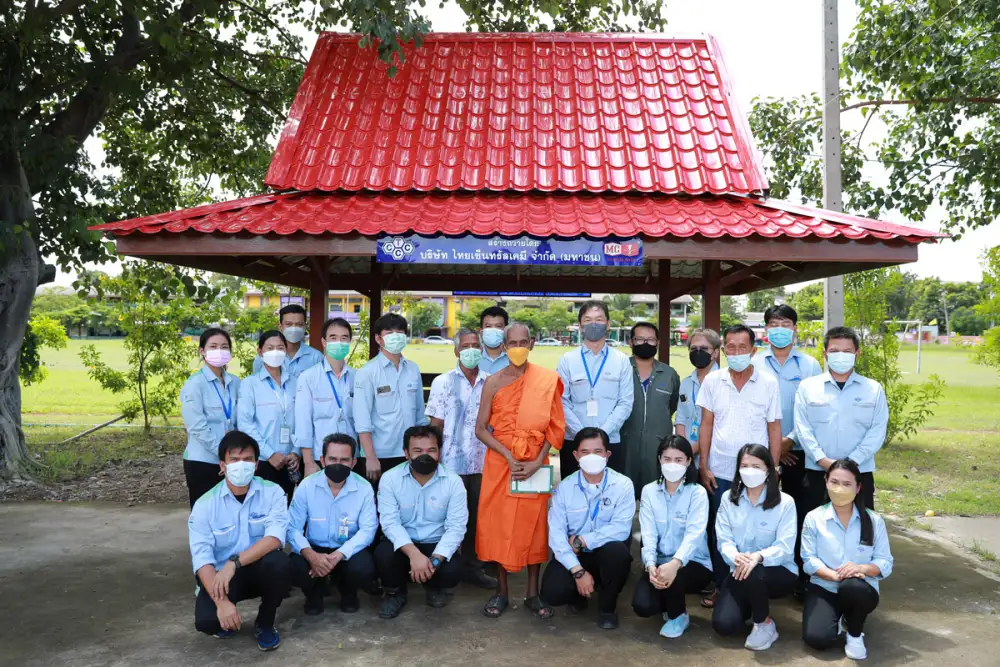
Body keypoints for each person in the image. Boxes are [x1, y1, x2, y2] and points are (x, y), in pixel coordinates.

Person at [475, 322, 566, 619]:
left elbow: (555, 427)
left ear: (532, 343)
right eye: (511, 343)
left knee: (534, 526)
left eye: (522, 342)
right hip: (501, 463)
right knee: (499, 526)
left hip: (534, 461)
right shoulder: (493, 382)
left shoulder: (546, 380)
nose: (517, 348)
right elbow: (480, 428)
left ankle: (532, 593)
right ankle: (501, 592)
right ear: (503, 346)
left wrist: (538, 460)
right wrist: (506, 455)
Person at [697, 324, 782, 604]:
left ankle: (750, 584)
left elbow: (774, 428)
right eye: (730, 347)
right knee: (721, 531)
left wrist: (774, 469)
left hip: (757, 474)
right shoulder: (713, 381)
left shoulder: (768, 383)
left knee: (754, 529)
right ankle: (723, 585)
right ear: (723, 350)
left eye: (742, 347)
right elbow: (706, 425)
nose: (736, 352)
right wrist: (704, 465)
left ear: (753, 350)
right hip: (720, 471)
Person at [188, 431, 290, 651]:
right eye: (234, 460)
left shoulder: (273, 493)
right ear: (222, 465)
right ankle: (227, 613)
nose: (241, 465)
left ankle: (265, 622)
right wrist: (221, 602)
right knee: (206, 621)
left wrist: (234, 564)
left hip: (258, 569)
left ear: (256, 464)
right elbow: (202, 557)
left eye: (247, 459)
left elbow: (275, 538)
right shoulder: (205, 505)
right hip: (222, 578)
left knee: (280, 563)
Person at [752, 305, 822, 586]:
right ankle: (759, 571)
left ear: (795, 328)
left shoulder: (810, 365)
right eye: (773, 323)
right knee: (760, 512)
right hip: (761, 453)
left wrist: (788, 441)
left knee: (802, 513)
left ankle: (802, 577)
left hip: (798, 451)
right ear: (766, 328)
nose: (779, 328)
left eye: (785, 323)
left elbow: (815, 410)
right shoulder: (754, 363)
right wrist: (772, 449)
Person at [540, 428, 635, 629]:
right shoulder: (564, 488)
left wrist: (582, 540)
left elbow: (621, 529)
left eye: (598, 451)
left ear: (608, 454)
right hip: (576, 555)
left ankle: (607, 608)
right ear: (575, 456)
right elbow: (557, 535)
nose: (592, 457)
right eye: (585, 452)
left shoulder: (623, 485)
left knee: (617, 554)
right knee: (552, 592)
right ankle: (578, 595)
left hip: (604, 552)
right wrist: (578, 572)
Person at [425, 328, 498, 589]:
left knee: (478, 518)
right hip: (451, 463)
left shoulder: (492, 382)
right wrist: (432, 459)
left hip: (483, 462)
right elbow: (436, 424)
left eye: (475, 345)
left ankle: (473, 567)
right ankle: (443, 568)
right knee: (449, 517)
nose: (471, 350)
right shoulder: (443, 382)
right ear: (456, 350)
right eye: (465, 346)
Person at [801, 459, 893, 661]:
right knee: (817, 638)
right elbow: (809, 560)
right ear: (826, 482)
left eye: (847, 484)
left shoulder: (874, 521)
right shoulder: (814, 518)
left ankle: (854, 632)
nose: (839, 489)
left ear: (858, 488)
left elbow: (885, 562)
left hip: (860, 588)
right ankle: (838, 615)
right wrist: (835, 576)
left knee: (851, 586)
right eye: (834, 482)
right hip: (824, 585)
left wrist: (861, 568)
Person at [375, 425, 468, 619]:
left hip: (435, 544)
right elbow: (390, 523)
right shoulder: (390, 479)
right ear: (406, 453)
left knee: (453, 569)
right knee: (384, 555)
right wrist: (414, 554)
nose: (424, 456)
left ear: (439, 452)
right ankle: (395, 593)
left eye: (431, 450)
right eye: (417, 450)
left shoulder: (453, 482)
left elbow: (456, 527)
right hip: (403, 544)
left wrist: (435, 560)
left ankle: (434, 586)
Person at [711, 444, 798, 651]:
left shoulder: (785, 503)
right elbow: (724, 540)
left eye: (756, 466)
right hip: (739, 570)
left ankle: (764, 623)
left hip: (776, 571)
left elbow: (785, 546)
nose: (749, 471)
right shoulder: (728, 499)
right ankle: (751, 604)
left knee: (754, 571)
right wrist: (735, 556)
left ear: (768, 470)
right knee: (724, 625)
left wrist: (758, 557)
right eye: (744, 466)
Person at [794, 326, 889, 515]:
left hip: (859, 473)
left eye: (847, 351)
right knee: (814, 525)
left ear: (857, 353)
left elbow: (877, 430)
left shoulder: (873, 389)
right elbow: (802, 428)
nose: (841, 356)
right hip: (817, 472)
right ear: (825, 354)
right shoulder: (808, 387)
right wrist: (823, 460)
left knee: (861, 525)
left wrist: (851, 463)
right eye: (834, 351)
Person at [287, 433, 379, 615]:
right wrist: (312, 556)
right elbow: (292, 528)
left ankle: (348, 592)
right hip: (314, 548)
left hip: (346, 549)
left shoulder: (364, 488)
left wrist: (339, 555)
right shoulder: (307, 486)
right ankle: (313, 593)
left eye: (344, 460)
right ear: (322, 460)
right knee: (293, 567)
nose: (338, 464)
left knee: (364, 567)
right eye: (332, 459)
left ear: (353, 462)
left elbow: (368, 530)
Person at [631, 435, 712, 639]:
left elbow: (694, 535)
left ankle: (679, 616)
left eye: (678, 459)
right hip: (659, 561)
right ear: (659, 460)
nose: (672, 464)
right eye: (667, 459)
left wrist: (675, 564)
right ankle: (668, 599)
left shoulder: (697, 493)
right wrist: (650, 565)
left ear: (688, 461)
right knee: (642, 605)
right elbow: (648, 533)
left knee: (674, 577)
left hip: (693, 563)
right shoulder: (649, 491)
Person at [556, 300, 634, 476]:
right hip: (574, 441)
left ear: (608, 324)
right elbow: (561, 402)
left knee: (610, 489)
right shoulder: (567, 360)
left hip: (610, 442)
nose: (594, 324)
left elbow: (625, 403)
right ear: (580, 326)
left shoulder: (621, 360)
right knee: (573, 489)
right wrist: (582, 435)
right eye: (588, 320)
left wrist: (602, 435)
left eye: (599, 319)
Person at [353, 313, 428, 485]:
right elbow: (362, 419)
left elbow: (419, 415)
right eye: (389, 333)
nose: (395, 336)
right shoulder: (367, 372)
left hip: (411, 453)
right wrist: (370, 457)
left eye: (399, 332)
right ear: (378, 339)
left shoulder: (413, 369)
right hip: (380, 455)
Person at [181, 328, 241, 507]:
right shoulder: (195, 384)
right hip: (203, 461)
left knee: (230, 511)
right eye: (213, 346)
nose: (219, 350)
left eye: (224, 347)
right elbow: (196, 426)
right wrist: (222, 453)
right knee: (205, 512)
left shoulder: (235, 382)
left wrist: (233, 456)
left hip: (232, 461)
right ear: (202, 351)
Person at [237, 330, 300, 501]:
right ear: (260, 352)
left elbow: (303, 420)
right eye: (270, 348)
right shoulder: (250, 384)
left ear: (286, 350)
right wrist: (269, 454)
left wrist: (296, 452)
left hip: (290, 461)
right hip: (263, 460)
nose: (275, 352)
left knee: (286, 506)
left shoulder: (296, 382)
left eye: (280, 348)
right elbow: (245, 424)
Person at [621, 322, 680, 495]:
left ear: (658, 343)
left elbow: (672, 405)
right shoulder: (621, 369)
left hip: (658, 446)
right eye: (640, 339)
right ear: (631, 342)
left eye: (651, 340)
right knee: (623, 494)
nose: (645, 343)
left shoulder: (669, 374)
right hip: (625, 446)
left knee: (656, 495)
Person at [295, 317, 357, 477]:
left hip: (351, 458)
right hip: (320, 458)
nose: (339, 342)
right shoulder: (308, 377)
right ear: (324, 342)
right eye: (333, 338)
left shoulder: (357, 377)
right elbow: (303, 422)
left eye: (344, 338)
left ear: (349, 342)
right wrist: (308, 462)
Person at [674, 327, 721, 461]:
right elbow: (681, 419)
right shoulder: (686, 383)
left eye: (704, 348)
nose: (698, 352)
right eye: (693, 348)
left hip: (712, 459)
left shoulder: (723, 383)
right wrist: (683, 449)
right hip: (686, 457)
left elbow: (719, 425)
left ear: (715, 353)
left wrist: (690, 451)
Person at [251, 304, 323, 379]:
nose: (294, 329)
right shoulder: (264, 356)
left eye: (299, 324)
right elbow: (256, 383)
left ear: (305, 327)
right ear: (280, 327)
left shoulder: (316, 358)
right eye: (288, 324)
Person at [478, 306, 510, 374]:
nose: (493, 330)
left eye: (498, 326)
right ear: (481, 331)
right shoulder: (472, 358)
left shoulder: (514, 357)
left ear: (506, 330)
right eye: (488, 326)